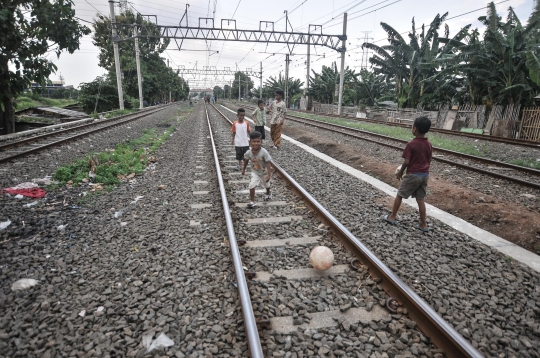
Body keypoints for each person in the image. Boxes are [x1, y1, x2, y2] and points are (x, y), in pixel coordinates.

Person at [384, 116, 433, 232]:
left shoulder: (411, 144)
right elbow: (429, 160)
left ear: (415, 129)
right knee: (420, 200)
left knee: (400, 195)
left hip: (413, 175)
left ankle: (392, 217)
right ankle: (423, 224)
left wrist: (401, 172)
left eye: (412, 127)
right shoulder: (429, 144)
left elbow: (406, 161)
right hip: (425, 175)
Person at [242, 131, 272, 208]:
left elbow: (268, 163)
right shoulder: (248, 152)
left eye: (258, 141)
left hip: (263, 172)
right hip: (254, 172)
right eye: (254, 141)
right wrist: (244, 169)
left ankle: (268, 192)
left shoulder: (264, 152)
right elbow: (246, 160)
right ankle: (252, 201)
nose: (256, 143)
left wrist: (269, 175)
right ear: (250, 142)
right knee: (252, 185)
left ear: (261, 142)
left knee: (266, 185)